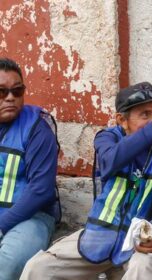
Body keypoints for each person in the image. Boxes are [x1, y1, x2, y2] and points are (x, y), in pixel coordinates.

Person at [21, 82, 152, 280]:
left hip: (144, 241)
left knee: (141, 270)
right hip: (102, 235)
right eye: (145, 114)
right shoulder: (107, 139)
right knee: (38, 268)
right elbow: (109, 161)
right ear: (121, 120)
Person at [0, 58, 60, 280]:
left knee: (7, 265)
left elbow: (41, 190)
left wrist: (2, 226)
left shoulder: (37, 129)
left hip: (30, 217)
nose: (10, 98)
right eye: (2, 92)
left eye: (17, 91)